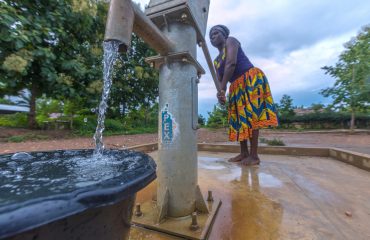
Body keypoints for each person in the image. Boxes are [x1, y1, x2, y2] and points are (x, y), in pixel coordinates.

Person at [209, 25, 279, 165]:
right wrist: (220, 93)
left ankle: (254, 156)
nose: (212, 36)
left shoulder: (231, 41)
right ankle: (244, 153)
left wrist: (222, 90)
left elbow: (231, 64)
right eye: (210, 36)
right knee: (240, 119)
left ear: (224, 35)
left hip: (250, 79)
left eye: (216, 33)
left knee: (252, 117)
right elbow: (219, 80)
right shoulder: (216, 61)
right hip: (235, 86)